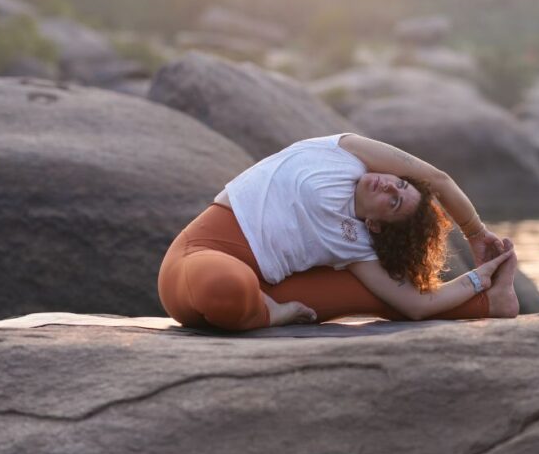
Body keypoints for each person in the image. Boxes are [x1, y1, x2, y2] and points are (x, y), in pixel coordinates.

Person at [157, 133, 520, 330]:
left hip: (266, 289)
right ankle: (270, 315)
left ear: (376, 225)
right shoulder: (346, 152)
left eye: (394, 202)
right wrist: (476, 233)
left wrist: (480, 278)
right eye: (399, 184)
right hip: (203, 256)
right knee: (223, 287)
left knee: (377, 297)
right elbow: (437, 179)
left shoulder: (356, 247)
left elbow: (416, 306)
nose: (389, 186)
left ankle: (493, 303)